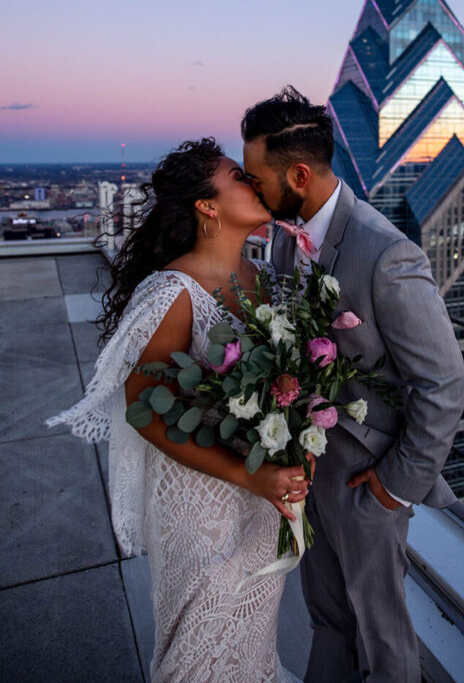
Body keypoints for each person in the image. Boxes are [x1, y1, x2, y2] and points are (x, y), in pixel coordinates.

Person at [48, 138, 309, 683]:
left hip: (262, 500)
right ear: (206, 206)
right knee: (196, 649)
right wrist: (248, 475)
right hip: (201, 503)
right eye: (238, 176)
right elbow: (145, 411)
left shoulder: (267, 281)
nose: (254, 181)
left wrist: (298, 448)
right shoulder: (172, 292)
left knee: (252, 642)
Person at [242, 88, 464, 683]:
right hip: (308, 474)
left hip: (367, 483)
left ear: (298, 174)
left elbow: (443, 382)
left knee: (382, 637)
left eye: (257, 179)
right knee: (328, 619)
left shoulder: (386, 251)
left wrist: (395, 488)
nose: (252, 190)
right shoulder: (285, 237)